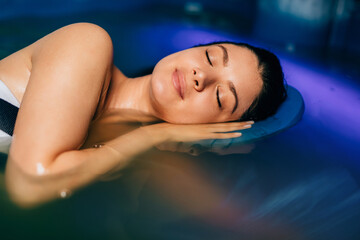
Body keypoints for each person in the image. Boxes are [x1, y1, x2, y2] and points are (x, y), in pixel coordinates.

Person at [0, 23, 286, 207]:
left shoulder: (125, 151)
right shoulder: (87, 44)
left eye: (221, 97)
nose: (202, 76)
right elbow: (28, 184)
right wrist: (153, 133)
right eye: (210, 57)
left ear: (211, 130)